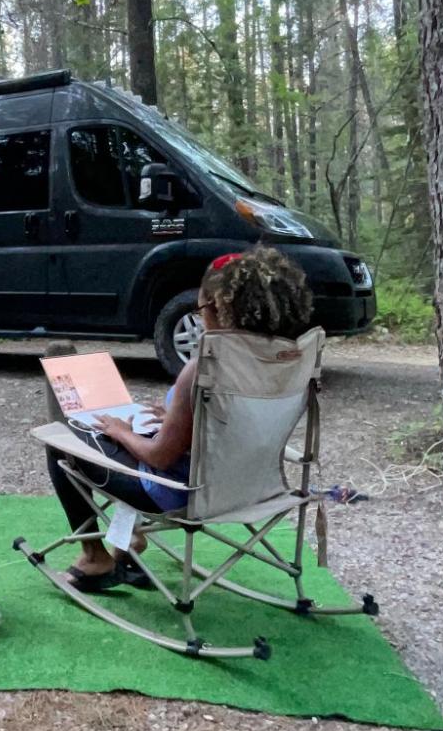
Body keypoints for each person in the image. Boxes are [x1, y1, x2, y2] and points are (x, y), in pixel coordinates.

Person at [44, 246, 314, 590]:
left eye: (200, 307)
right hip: (247, 486)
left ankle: (96, 558)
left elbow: (160, 457)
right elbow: (236, 424)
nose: (200, 317)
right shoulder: (282, 362)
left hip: (179, 493)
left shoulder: (204, 366)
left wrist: (123, 431)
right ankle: (130, 544)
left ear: (218, 308)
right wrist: (174, 417)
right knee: (130, 438)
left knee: (61, 440)